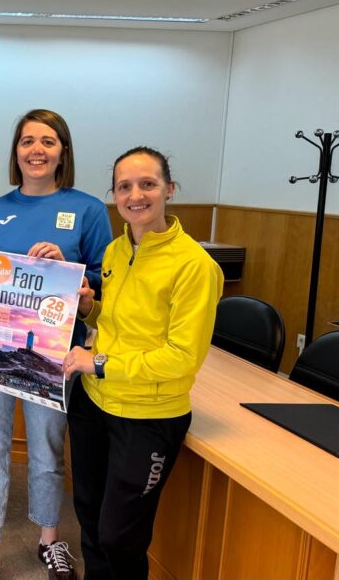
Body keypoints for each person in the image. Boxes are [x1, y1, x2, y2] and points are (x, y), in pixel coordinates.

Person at [0, 110, 112, 580]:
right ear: (16, 151)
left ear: (63, 151)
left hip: (53, 352)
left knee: (47, 449)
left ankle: (49, 539)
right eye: (27, 141)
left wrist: (69, 268)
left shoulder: (88, 210)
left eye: (48, 141)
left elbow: (106, 281)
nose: (36, 150)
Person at [61, 146, 223, 580]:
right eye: (124, 187)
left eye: (148, 184)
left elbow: (181, 358)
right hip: (94, 402)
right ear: (114, 195)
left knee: (120, 536)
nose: (136, 195)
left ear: (170, 189)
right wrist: (89, 309)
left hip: (147, 415)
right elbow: (119, 324)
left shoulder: (195, 266)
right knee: (89, 514)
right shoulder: (116, 251)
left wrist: (99, 363)